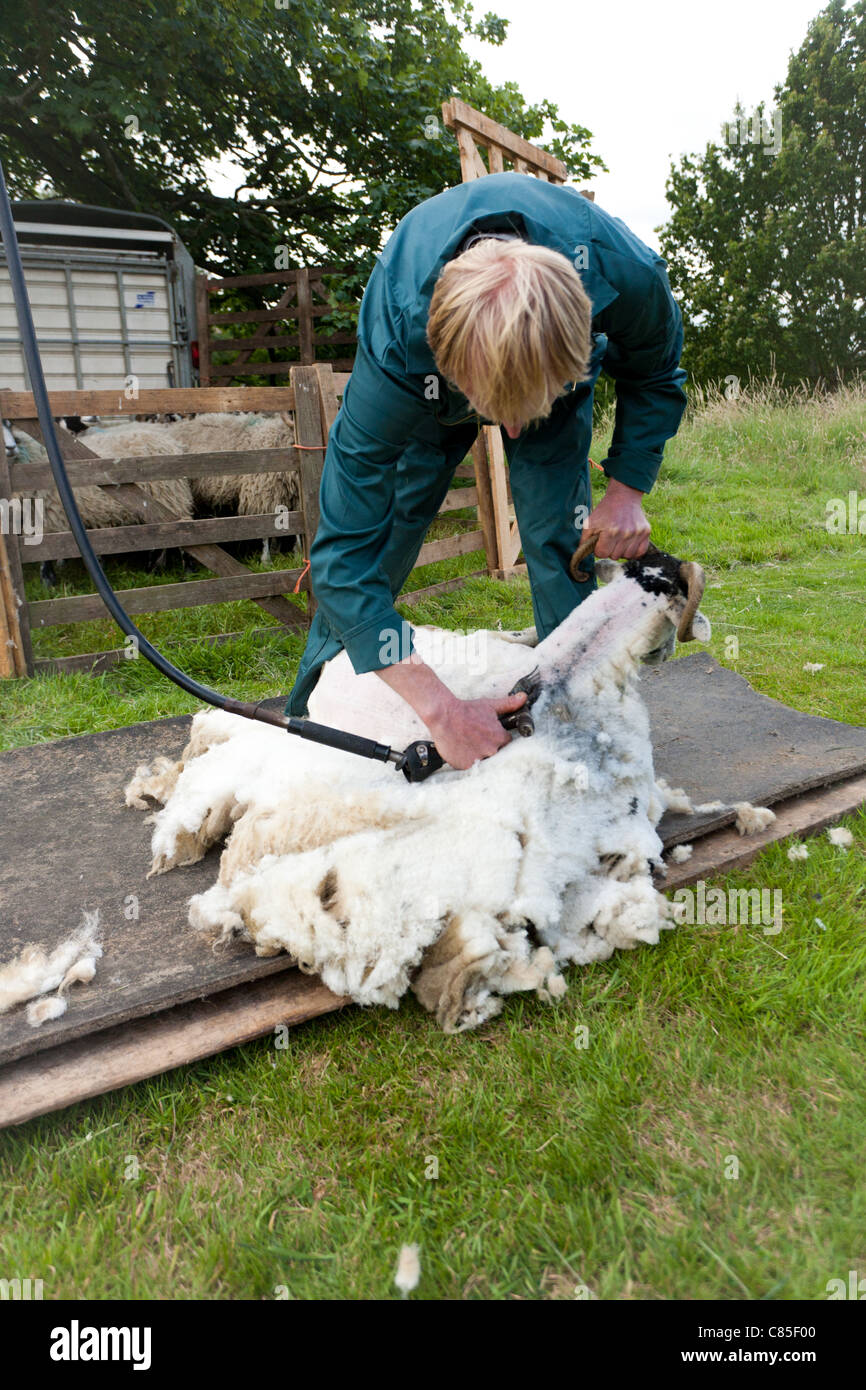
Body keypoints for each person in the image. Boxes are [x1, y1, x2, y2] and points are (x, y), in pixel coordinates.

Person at [285, 172, 687, 769]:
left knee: (558, 534)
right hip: (426, 392)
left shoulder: (623, 273)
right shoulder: (398, 343)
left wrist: (625, 490)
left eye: (526, 412)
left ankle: (573, 719)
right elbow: (344, 556)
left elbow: (655, 373)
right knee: (388, 529)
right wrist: (444, 711)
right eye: (500, 414)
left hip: (558, 380)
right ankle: (314, 709)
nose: (512, 434)